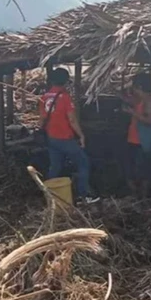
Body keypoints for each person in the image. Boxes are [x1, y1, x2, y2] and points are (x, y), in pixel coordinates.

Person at [39, 68, 100, 204]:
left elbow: (42, 118)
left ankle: (49, 195)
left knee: (55, 166)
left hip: (52, 138)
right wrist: (81, 135)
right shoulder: (65, 98)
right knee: (83, 163)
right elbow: (72, 120)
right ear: (66, 81)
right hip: (65, 138)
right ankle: (83, 196)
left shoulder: (44, 97)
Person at [122, 72, 151, 196]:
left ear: (139, 87)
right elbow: (129, 100)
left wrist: (132, 113)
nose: (133, 89)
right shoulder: (141, 99)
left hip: (142, 142)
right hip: (134, 140)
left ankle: (142, 198)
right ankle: (138, 195)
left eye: (134, 86)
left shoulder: (150, 101)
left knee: (142, 171)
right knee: (132, 169)